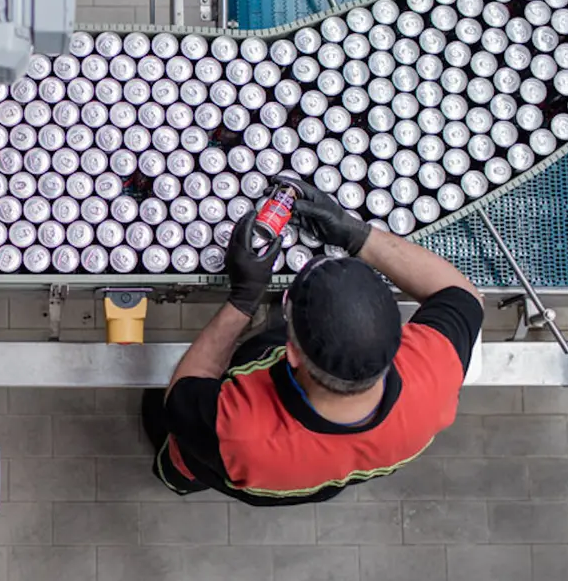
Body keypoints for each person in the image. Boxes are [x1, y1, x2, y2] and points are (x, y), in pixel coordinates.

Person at [143, 178, 484, 505]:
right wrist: (356, 234)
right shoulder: (432, 378)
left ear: (290, 352)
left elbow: (186, 386)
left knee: (177, 450)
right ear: (397, 335)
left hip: (235, 467)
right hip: (328, 472)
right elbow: (464, 296)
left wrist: (243, 300)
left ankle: (175, 477)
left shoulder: (237, 433)